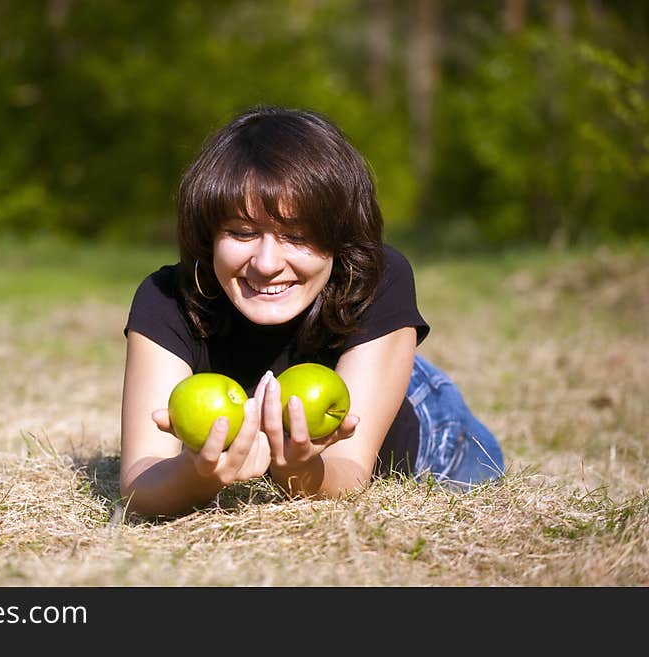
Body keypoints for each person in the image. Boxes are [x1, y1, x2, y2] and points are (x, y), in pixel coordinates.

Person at [120, 105, 504, 518]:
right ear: (208, 232)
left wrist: (298, 469)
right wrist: (198, 474)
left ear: (340, 237)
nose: (266, 263)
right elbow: (140, 481)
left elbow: (352, 469)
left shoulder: (379, 278)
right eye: (242, 232)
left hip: (427, 432)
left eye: (297, 236)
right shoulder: (167, 298)